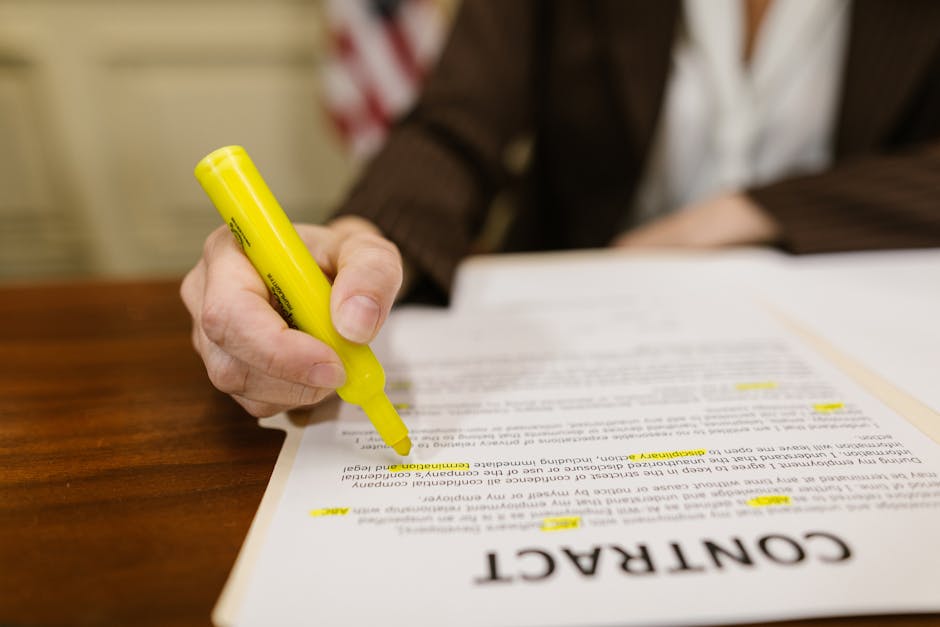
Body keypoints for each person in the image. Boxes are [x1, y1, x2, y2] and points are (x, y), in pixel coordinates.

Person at [180, 0, 940, 418]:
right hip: (568, 327)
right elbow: (454, 128)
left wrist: (749, 210)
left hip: (848, 333)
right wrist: (360, 238)